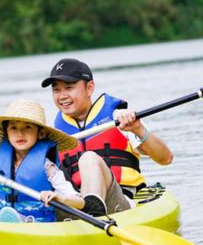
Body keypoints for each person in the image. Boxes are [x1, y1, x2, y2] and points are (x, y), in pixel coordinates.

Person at [41, 58, 174, 217]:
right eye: (56, 90)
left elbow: (165, 158)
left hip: (121, 200)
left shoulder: (119, 118)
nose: (62, 96)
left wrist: (138, 129)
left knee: (88, 158)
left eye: (68, 88)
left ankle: (92, 208)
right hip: (76, 202)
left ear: (89, 88)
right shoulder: (55, 135)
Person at [0, 99, 85, 223]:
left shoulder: (48, 167)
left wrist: (60, 198)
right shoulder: (5, 163)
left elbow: (80, 202)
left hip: (37, 224)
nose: (20, 133)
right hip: (3, 220)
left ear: (41, 133)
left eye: (27, 127)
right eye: (13, 128)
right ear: (7, 134)